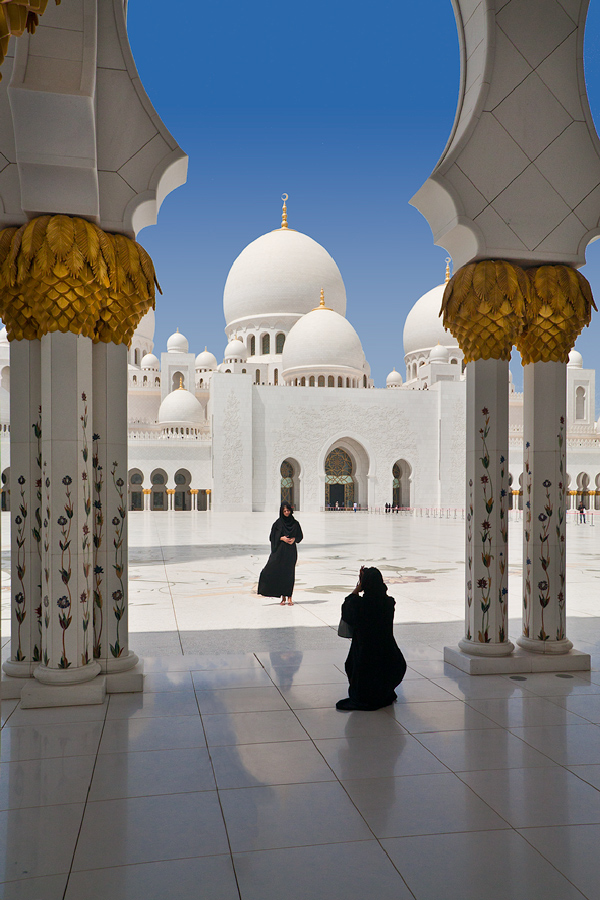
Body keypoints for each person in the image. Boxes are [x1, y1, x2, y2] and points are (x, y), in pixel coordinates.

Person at [336, 566, 406, 711]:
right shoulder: (388, 603)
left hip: (365, 655)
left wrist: (358, 587)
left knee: (356, 667)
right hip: (387, 653)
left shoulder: (359, 605)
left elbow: (347, 606)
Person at [257, 502, 303, 605]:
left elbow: (300, 536)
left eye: (288, 511)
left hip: (291, 551)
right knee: (279, 573)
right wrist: (281, 538)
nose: (286, 513)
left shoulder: (295, 523)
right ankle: (283, 598)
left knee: (289, 574)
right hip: (280, 551)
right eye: (284, 511)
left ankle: (290, 597)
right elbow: (271, 537)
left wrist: (294, 539)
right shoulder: (278, 523)